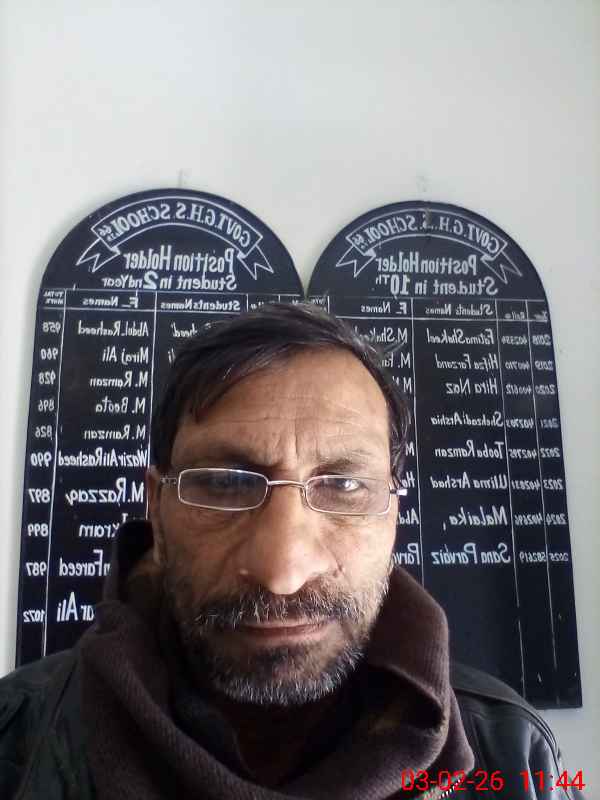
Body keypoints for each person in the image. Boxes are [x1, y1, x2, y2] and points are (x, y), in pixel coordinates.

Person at [0, 302, 582, 799]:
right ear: (157, 506)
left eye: (344, 485)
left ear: (393, 514)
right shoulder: (16, 737)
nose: (283, 572)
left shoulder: (513, 754)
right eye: (224, 483)